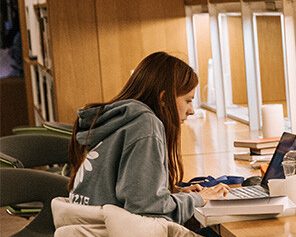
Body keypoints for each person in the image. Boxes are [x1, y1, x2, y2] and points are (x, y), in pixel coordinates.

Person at [67, 52, 228, 224]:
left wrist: (171, 192)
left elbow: (127, 189)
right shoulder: (146, 125)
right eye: (188, 101)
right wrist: (198, 199)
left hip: (86, 229)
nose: (192, 110)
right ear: (164, 98)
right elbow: (148, 212)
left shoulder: (121, 120)